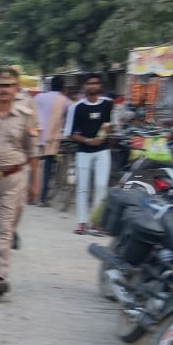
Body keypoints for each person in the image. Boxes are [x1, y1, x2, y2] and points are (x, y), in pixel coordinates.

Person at [0, 66, 40, 298]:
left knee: (4, 229)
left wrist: (35, 183)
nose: (4, 90)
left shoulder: (26, 115)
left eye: (9, 86)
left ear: (17, 88)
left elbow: (33, 151)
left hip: (12, 179)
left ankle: (0, 275)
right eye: (0, 85)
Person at [64, 72, 114, 235]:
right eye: (89, 83)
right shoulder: (76, 107)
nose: (93, 86)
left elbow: (111, 125)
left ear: (100, 86)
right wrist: (87, 140)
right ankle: (82, 223)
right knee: (82, 187)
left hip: (103, 150)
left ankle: (97, 223)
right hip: (84, 151)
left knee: (101, 185)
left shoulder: (107, 104)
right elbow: (70, 133)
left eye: (95, 83)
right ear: (84, 86)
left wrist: (107, 132)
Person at [34, 76, 71, 205]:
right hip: (52, 139)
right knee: (47, 169)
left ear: (50, 85)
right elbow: (69, 119)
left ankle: (31, 195)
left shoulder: (38, 97)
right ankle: (42, 198)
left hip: (36, 136)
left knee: (34, 167)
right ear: (63, 87)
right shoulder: (65, 101)